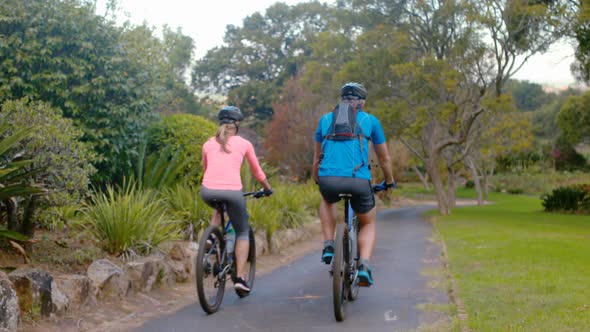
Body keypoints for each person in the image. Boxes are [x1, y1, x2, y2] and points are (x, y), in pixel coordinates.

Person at [312, 82, 395, 287]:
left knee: (327, 200)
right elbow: (384, 159)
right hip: (359, 181)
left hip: (328, 179)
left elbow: (316, 158)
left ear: (341, 100)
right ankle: (364, 265)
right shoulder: (370, 121)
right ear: (363, 102)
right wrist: (389, 181)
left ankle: (329, 244)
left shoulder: (325, 120)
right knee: (368, 222)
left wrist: (317, 178)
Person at [200, 105, 273, 297]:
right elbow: (257, 172)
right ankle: (240, 278)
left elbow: (206, 169)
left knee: (218, 205)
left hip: (207, 190)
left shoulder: (208, 143)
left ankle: (211, 238)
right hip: (233, 193)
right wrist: (267, 188)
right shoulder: (244, 143)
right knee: (242, 232)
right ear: (237, 124)